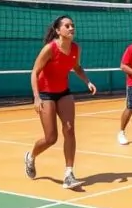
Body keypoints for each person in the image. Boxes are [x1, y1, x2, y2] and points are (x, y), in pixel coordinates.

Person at [24, 15, 97, 190]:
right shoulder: (49, 49)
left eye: (72, 25)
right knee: (51, 138)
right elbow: (35, 72)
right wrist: (36, 96)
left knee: (70, 129)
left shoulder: (75, 48)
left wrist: (87, 81)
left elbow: (76, 67)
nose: (71, 28)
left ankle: (69, 174)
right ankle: (31, 156)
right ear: (58, 30)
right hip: (45, 94)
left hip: (63, 93)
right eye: (67, 26)